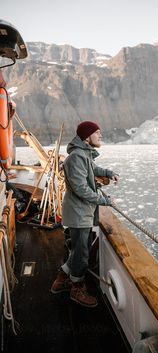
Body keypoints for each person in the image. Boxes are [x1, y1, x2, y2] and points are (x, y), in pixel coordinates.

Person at [50, 121, 119, 307]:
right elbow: (81, 188)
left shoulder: (83, 155)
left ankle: (61, 279)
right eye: (97, 132)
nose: (100, 135)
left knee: (82, 249)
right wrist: (105, 201)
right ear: (87, 136)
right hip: (79, 213)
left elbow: (93, 169)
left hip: (82, 212)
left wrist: (109, 172)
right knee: (81, 254)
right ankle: (76, 288)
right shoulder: (76, 157)